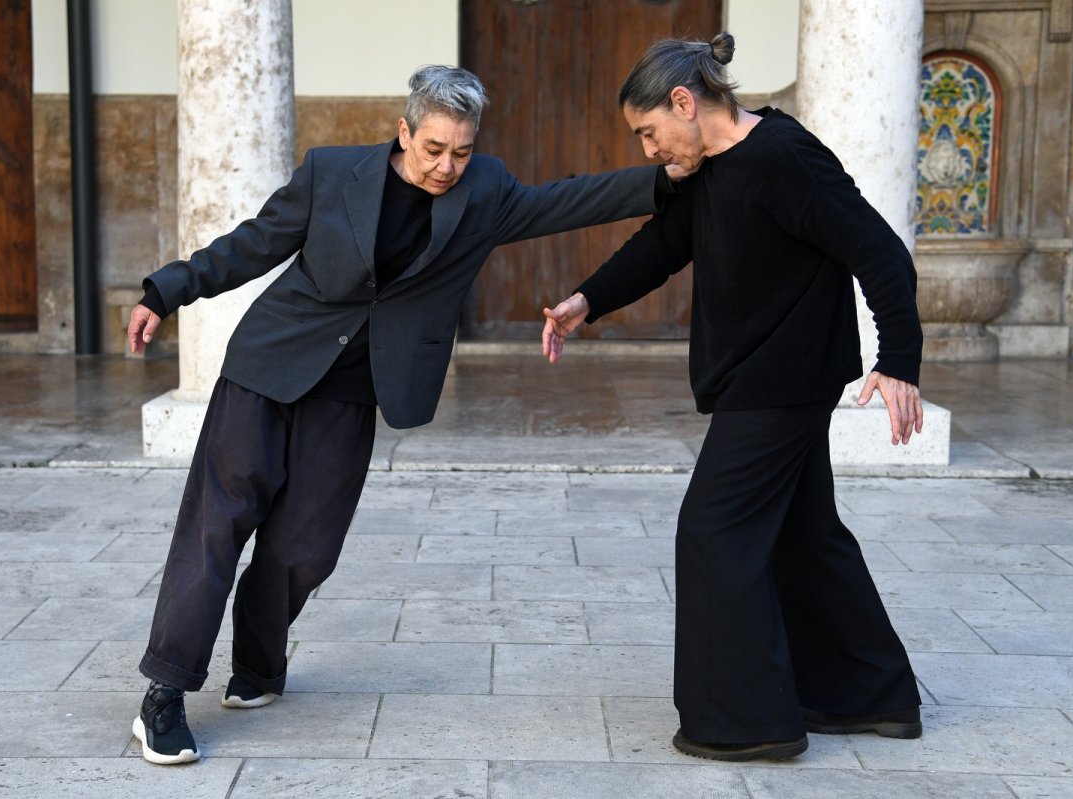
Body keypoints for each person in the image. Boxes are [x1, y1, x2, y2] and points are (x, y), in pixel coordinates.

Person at [126, 65, 683, 765]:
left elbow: (566, 201)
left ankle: (259, 666)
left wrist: (670, 178)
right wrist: (165, 291)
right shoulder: (332, 174)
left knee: (306, 548)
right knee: (218, 523)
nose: (447, 166)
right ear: (403, 131)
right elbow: (250, 244)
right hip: (267, 370)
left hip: (354, 391)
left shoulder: (486, 191)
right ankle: (164, 694)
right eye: (433, 149)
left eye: (461, 151)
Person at [542, 33, 925, 762]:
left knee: (714, 532)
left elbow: (879, 249)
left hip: (784, 382)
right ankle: (872, 692)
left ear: (685, 102)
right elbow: (663, 245)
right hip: (765, 377)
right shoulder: (709, 168)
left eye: (649, 130)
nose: (649, 148)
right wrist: (586, 300)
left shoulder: (782, 156)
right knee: (804, 533)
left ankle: (748, 720)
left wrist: (899, 359)